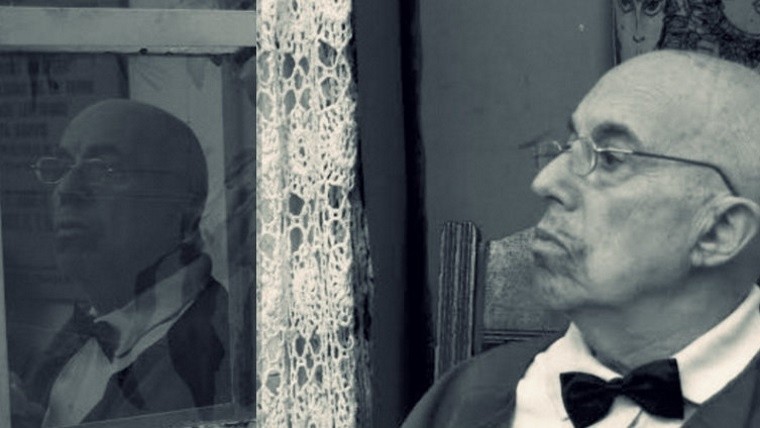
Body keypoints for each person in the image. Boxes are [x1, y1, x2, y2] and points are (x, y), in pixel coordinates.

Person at [402, 50, 760, 427]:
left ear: (719, 232)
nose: (545, 182)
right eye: (571, 144)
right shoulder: (460, 400)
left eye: (610, 158)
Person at [12, 99, 230, 427]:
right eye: (60, 168)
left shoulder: (223, 350)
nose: (67, 190)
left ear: (185, 211)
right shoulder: (78, 333)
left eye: (103, 169)